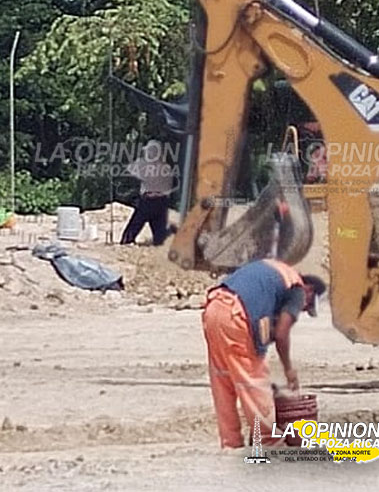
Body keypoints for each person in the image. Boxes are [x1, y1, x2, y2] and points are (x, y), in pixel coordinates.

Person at [201, 259, 327, 449]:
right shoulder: (297, 289)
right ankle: (269, 441)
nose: (301, 309)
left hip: (213, 308)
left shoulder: (276, 271)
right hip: (236, 315)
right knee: (254, 380)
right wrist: (288, 370)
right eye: (306, 306)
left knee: (223, 378)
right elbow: (282, 333)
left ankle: (230, 442)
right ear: (309, 291)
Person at [119, 139, 176, 246]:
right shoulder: (166, 167)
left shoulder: (145, 165)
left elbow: (130, 169)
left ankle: (127, 242)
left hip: (148, 202)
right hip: (162, 202)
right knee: (160, 238)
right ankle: (168, 235)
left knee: (130, 234)